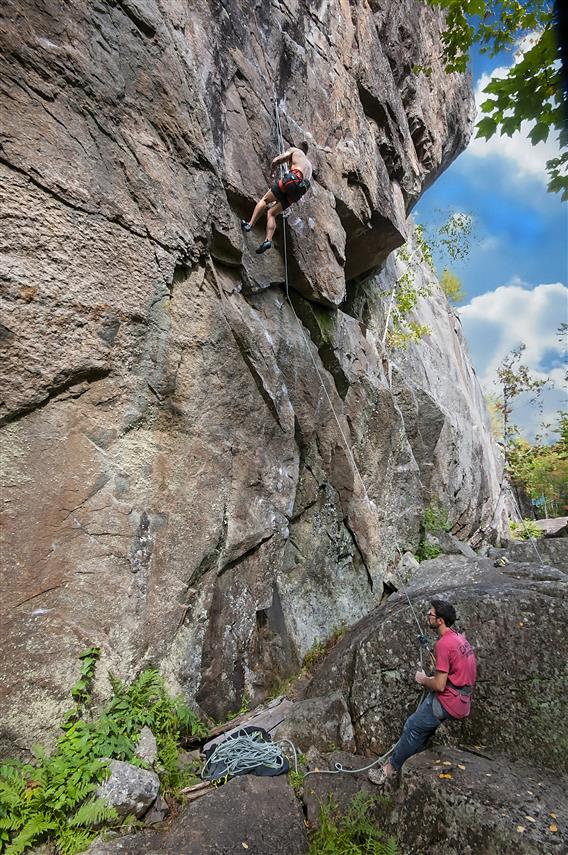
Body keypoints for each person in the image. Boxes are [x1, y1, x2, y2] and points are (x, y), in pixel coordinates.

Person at [369, 599, 477, 785]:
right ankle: (411, 758)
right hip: (462, 698)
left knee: (412, 726)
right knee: (423, 726)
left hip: (449, 700)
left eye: (431, 614)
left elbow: (440, 685)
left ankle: (389, 770)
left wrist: (423, 679)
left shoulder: (444, 644)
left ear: (440, 620)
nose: (428, 615)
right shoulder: (458, 638)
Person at [241, 142, 313, 254]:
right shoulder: (309, 167)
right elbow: (306, 185)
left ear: (299, 148)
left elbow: (280, 159)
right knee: (271, 213)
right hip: (297, 194)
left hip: (291, 180)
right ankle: (268, 240)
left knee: (265, 200)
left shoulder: (296, 151)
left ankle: (249, 224)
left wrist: (273, 168)